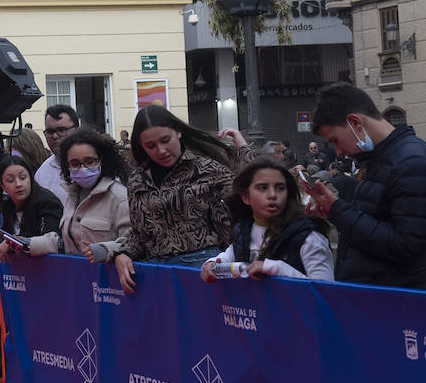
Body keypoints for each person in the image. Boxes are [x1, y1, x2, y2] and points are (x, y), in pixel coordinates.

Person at [308, 83, 426, 289]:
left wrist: (338, 211)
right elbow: (373, 222)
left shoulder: (413, 163)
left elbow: (406, 247)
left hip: (395, 300)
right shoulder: (382, 160)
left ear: (355, 122)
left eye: (336, 140)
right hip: (379, 295)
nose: (338, 152)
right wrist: (333, 211)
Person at [113, 106, 244, 294]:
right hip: (154, 272)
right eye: (150, 146)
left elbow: (238, 218)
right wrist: (123, 253)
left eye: (166, 140)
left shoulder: (210, 169)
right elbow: (140, 232)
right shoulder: (137, 179)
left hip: (202, 266)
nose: (161, 150)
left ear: (179, 132)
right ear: (141, 146)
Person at [202, 158, 333, 282]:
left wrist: (277, 268)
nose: (272, 195)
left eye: (280, 188)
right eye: (263, 188)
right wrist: (212, 263)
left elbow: (324, 292)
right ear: (246, 197)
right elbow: (228, 257)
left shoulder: (309, 236)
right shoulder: (243, 229)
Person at [30, 129, 131, 263]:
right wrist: (26, 244)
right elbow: (67, 245)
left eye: (89, 161)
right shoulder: (72, 196)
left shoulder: (119, 197)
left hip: (108, 280)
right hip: (79, 277)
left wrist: (105, 250)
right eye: (75, 164)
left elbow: (134, 243)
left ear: (101, 160)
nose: (82, 169)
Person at [0, 155, 63, 263]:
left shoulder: (48, 202)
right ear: (2, 186)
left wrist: (13, 242)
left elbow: (52, 242)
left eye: (23, 178)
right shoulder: (7, 205)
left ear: (31, 178)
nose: (18, 184)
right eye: (10, 180)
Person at [34, 104, 80, 204]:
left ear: (76, 130)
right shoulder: (42, 173)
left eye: (61, 130)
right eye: (49, 131)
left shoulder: (93, 169)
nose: (55, 136)